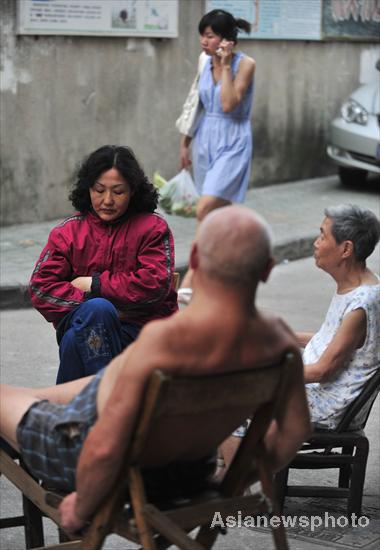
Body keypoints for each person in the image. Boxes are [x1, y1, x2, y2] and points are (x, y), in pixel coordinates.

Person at [1, 205, 311, 535]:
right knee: (37, 396)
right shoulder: (279, 342)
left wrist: (82, 507)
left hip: (105, 464)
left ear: (194, 258)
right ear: (267, 269)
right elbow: (294, 431)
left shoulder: (166, 342)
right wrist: (233, 479)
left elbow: (105, 447)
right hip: (187, 474)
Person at [29, 145, 178, 383]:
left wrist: (94, 285)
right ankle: (104, 399)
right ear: (88, 189)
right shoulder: (68, 232)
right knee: (96, 313)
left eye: (118, 192)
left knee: (75, 338)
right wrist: (97, 307)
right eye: (99, 190)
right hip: (86, 324)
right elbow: (40, 288)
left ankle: (72, 412)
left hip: (139, 334)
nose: (107, 200)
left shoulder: (152, 229)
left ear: (133, 191)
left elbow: (155, 285)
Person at [179, 9, 256, 289]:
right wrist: (185, 141)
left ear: (226, 40)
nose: (203, 41)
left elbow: (228, 104)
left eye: (210, 36)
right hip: (204, 138)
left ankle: (190, 278)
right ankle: (215, 274)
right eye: (202, 35)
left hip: (233, 139)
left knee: (205, 207)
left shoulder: (245, 64)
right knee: (212, 216)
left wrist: (224, 65)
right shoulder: (202, 61)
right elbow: (195, 101)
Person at [299, 204, 380, 429]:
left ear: (346, 250)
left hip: (326, 404)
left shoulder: (361, 304)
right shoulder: (356, 285)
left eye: (323, 236)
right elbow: (332, 340)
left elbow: (322, 371)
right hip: (316, 391)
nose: (316, 242)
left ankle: (240, 464)